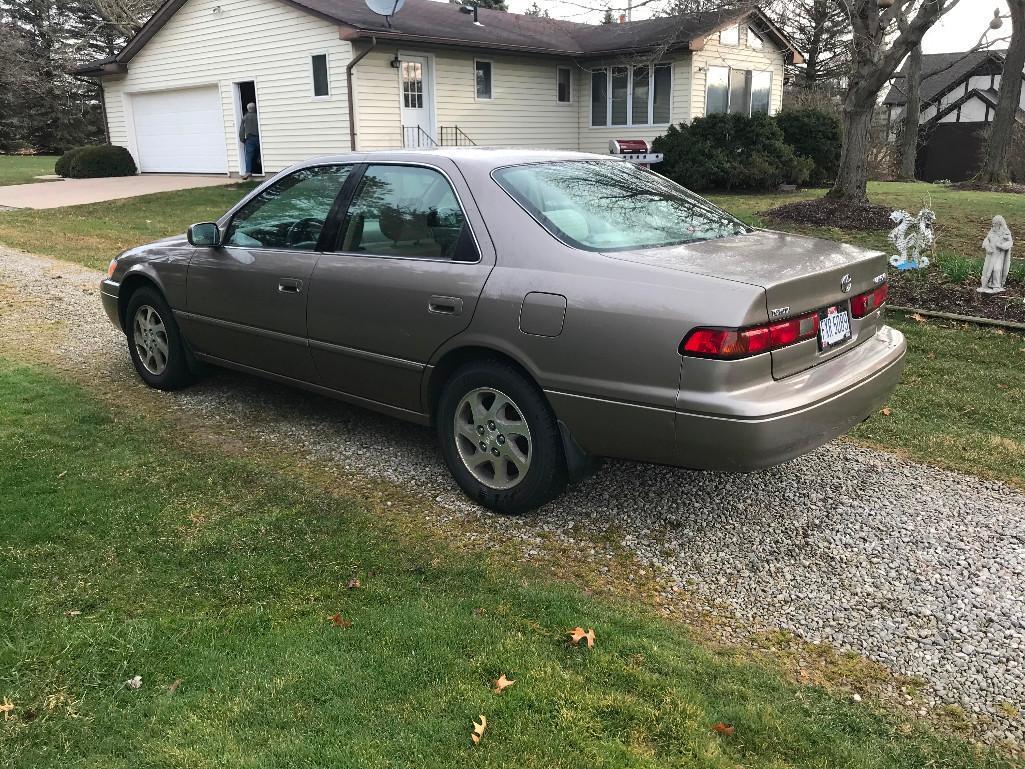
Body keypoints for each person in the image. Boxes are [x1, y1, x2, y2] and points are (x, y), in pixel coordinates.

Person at [979, 214, 1013, 294]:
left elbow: (1010, 242)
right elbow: (986, 239)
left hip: (999, 255)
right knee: (987, 270)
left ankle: (996, 286)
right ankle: (985, 285)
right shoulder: (992, 230)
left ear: (1000, 224)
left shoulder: (1006, 232)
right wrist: (987, 247)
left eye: (995, 223)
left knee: (997, 269)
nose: (993, 225)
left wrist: (1001, 246)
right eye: (993, 223)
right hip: (991, 254)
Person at [238, 103, 260, 180]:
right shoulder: (258, 116)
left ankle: (248, 172)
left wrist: (242, 139)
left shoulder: (245, 117)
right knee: (260, 153)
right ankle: (259, 161)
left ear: (248, 109)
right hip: (259, 138)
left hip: (249, 139)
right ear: (255, 108)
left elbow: (241, 131)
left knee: (249, 156)